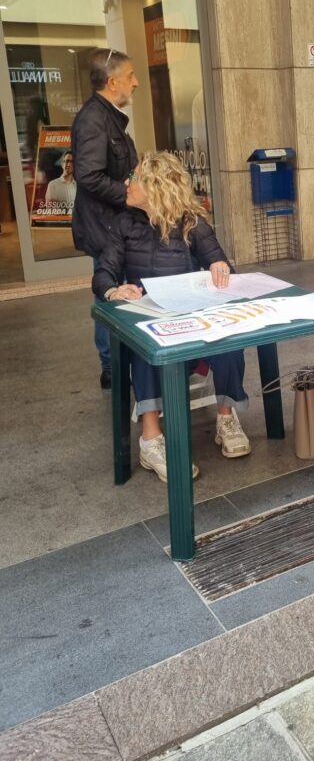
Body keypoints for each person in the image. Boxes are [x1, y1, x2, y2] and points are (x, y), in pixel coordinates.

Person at [93, 152, 251, 483]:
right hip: (150, 320)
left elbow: (221, 264)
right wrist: (113, 291)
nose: (126, 183)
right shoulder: (123, 224)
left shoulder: (193, 222)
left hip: (190, 319)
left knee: (230, 342)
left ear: (154, 187)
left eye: (133, 178)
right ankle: (150, 440)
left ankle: (226, 417)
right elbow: (103, 273)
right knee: (148, 348)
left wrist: (220, 268)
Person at [72, 49, 139, 389]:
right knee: (109, 294)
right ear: (113, 82)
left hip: (114, 223)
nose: (136, 83)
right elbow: (89, 177)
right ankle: (112, 369)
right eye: (130, 77)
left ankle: (121, 363)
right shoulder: (93, 120)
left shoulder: (109, 116)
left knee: (119, 292)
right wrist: (128, 193)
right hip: (103, 227)